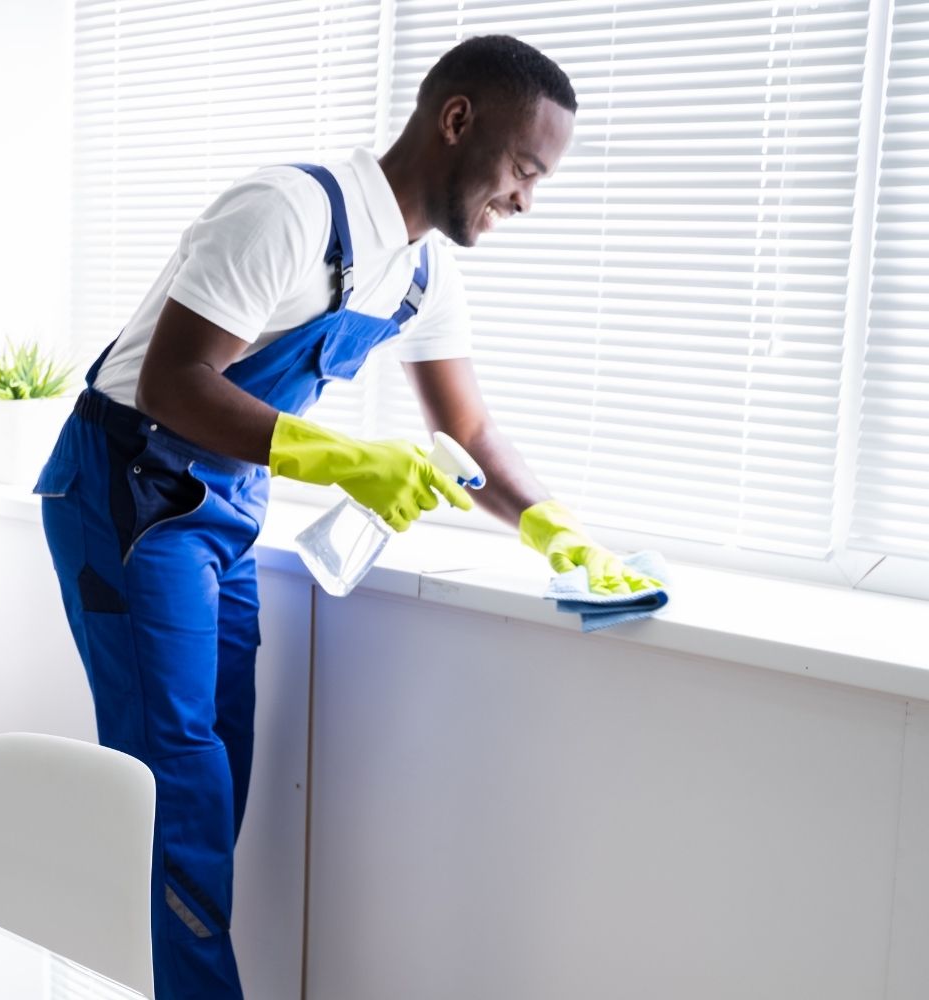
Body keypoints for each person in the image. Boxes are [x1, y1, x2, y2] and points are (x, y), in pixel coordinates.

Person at [35, 35, 659, 998]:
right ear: (457, 121)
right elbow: (172, 381)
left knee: (222, 776)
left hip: (225, 507)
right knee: (179, 787)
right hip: (127, 491)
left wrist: (554, 529)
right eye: (525, 170)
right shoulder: (287, 211)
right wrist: (347, 462)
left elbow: (471, 432)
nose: (528, 200)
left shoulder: (417, 274)